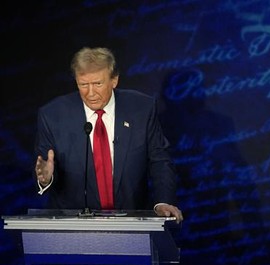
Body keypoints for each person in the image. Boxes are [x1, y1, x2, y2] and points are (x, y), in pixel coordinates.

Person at [33, 47, 183, 222]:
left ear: (114, 80)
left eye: (97, 84)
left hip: (132, 221)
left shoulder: (141, 109)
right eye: (83, 85)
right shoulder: (53, 115)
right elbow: (43, 167)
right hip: (74, 226)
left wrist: (163, 202)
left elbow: (160, 160)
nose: (90, 93)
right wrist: (46, 179)